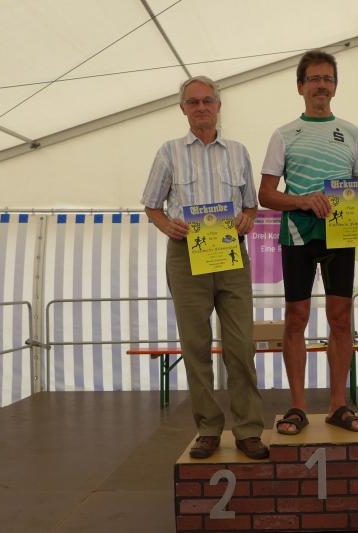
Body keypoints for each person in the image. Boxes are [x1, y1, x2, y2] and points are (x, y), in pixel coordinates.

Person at [141, 76, 268, 460]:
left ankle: (248, 429)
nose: (201, 107)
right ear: (183, 108)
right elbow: (152, 205)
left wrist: (247, 219)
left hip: (231, 255)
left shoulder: (238, 152)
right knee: (195, 347)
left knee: (241, 345)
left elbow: (251, 205)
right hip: (186, 256)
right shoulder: (168, 152)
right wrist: (167, 225)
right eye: (193, 102)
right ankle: (208, 429)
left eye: (207, 101)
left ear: (218, 106)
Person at [259, 50, 358, 435]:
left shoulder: (353, 133)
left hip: (341, 234)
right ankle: (297, 406)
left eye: (327, 79)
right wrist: (303, 201)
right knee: (297, 318)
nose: (321, 85)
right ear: (300, 86)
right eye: (314, 79)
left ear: (335, 87)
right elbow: (266, 194)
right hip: (298, 234)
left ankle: (339, 404)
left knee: (341, 318)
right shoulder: (284, 134)